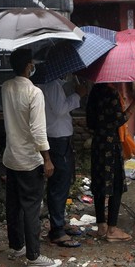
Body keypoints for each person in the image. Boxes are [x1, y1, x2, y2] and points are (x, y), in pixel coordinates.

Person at [1, 48, 61, 267]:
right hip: (29, 159)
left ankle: (17, 245)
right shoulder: (34, 93)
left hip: (11, 157)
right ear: (28, 66)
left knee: (14, 204)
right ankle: (34, 256)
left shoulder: (6, 87)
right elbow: (38, 130)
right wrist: (47, 158)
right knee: (31, 208)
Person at [85, 81, 135, 242]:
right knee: (115, 184)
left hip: (98, 143)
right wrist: (134, 105)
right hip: (111, 144)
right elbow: (118, 120)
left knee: (99, 183)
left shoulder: (94, 92)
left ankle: (101, 225)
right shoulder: (111, 93)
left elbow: (90, 122)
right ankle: (112, 229)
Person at [41, 75, 86, 248]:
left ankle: (60, 222)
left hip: (61, 136)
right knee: (59, 184)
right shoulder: (51, 84)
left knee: (64, 182)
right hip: (57, 137)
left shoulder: (56, 84)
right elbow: (60, 109)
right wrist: (77, 95)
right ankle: (57, 229)